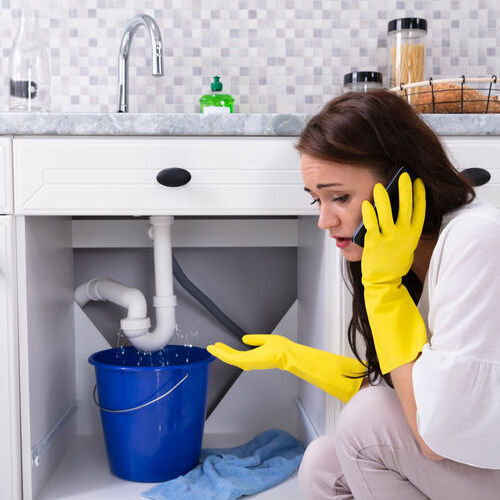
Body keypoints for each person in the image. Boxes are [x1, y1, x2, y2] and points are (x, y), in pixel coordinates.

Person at [207, 90, 500, 499]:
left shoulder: (475, 240)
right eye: (317, 200)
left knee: (363, 422)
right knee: (323, 463)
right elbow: (400, 391)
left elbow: (436, 437)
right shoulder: (406, 261)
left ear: (401, 186)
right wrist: (289, 355)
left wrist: (383, 289)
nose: (325, 220)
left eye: (339, 197)